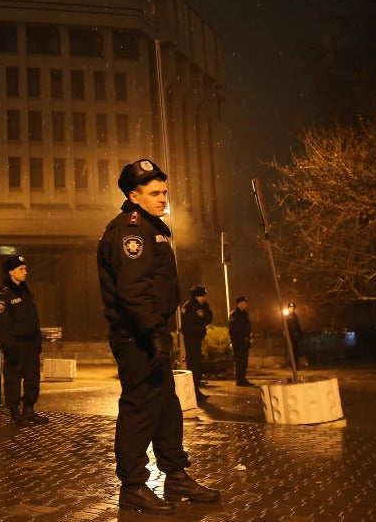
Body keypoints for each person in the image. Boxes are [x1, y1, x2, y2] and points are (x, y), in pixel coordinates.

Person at [97, 159, 221, 514]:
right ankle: (133, 485)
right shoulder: (130, 231)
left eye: (164, 192)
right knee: (139, 408)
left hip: (150, 333)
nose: (163, 198)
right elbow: (134, 292)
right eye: (154, 193)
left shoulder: (151, 227)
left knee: (167, 405)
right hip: (136, 336)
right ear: (133, 196)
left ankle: (176, 475)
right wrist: (155, 334)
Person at [0, 255, 49, 426]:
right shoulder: (2, 295)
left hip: (31, 344)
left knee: (33, 378)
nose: (26, 272)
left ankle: (29, 410)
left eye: (25, 268)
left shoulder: (26, 292)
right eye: (21, 269)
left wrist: (37, 341)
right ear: (11, 272)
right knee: (13, 379)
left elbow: (34, 319)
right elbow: (4, 324)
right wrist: (10, 345)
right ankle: (15, 412)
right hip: (16, 344)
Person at [180, 285, 213, 400]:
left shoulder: (200, 306)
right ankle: (194, 390)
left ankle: (196, 390)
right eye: (202, 296)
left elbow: (208, 319)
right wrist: (202, 320)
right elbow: (199, 320)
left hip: (197, 339)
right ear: (197, 296)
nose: (204, 298)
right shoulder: (188, 307)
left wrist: (206, 308)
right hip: (191, 340)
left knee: (197, 364)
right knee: (194, 365)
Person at [228, 296, 254, 386]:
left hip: (245, 342)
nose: (245, 305)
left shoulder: (244, 314)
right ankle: (240, 380)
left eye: (246, 303)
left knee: (244, 362)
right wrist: (239, 338)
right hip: (238, 342)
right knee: (239, 361)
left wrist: (249, 336)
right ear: (239, 303)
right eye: (243, 303)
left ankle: (243, 378)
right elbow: (233, 330)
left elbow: (247, 326)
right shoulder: (234, 314)